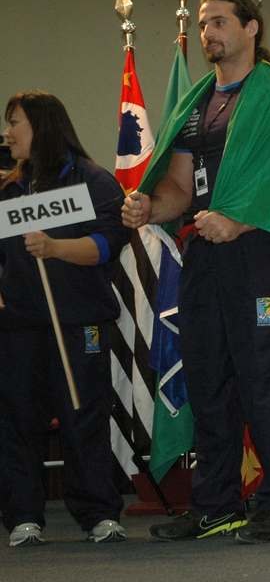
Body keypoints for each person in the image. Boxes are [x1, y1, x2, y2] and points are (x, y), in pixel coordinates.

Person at [122, 0, 270, 543]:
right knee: (209, 379)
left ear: (252, 28)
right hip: (206, 255)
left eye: (219, 22)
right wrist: (148, 207)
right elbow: (181, 191)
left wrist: (240, 222)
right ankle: (217, 503)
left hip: (262, 254)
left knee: (269, 380)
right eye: (204, 24)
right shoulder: (195, 104)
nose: (208, 32)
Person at [1, 91, 130, 546]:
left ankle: (98, 512)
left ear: (41, 126)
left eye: (14, 122)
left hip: (79, 322)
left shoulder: (92, 181)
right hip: (19, 327)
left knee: (84, 416)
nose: (7, 132)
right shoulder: (10, 189)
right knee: (18, 419)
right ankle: (23, 516)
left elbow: (109, 244)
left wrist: (55, 248)